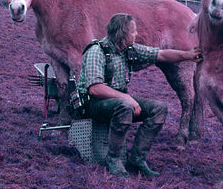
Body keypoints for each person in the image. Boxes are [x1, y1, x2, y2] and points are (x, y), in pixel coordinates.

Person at [77, 13, 202, 178]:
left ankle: (137, 158)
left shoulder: (128, 50)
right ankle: (113, 159)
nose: (137, 34)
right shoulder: (97, 52)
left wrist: (187, 55)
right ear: (123, 34)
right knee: (125, 106)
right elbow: (95, 89)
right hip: (93, 104)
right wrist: (127, 98)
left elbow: (162, 55)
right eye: (133, 31)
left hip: (116, 102)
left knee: (158, 109)